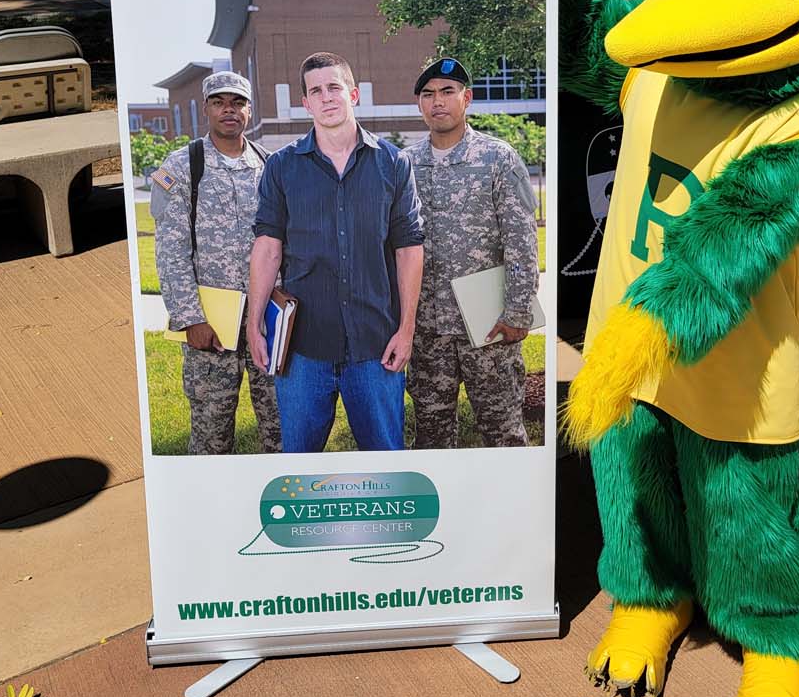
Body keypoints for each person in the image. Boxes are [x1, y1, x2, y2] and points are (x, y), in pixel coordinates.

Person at [247, 52, 424, 452]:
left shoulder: (394, 164)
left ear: (354, 94)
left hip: (375, 345)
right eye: (315, 91)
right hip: (304, 349)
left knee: (386, 462)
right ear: (305, 103)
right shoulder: (281, 167)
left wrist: (406, 329)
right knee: (299, 462)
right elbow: (267, 248)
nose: (326, 97)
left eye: (334, 87)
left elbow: (408, 250)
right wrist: (254, 323)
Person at [407, 58, 539, 448]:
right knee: (431, 434)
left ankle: (513, 508)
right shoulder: (405, 164)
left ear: (467, 98)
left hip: (488, 324)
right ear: (420, 105)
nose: (438, 102)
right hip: (428, 328)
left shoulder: (497, 158)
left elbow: (521, 239)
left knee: (502, 431)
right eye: (428, 94)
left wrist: (517, 312)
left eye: (447, 92)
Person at [151, 71, 281, 456]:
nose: (230, 110)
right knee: (211, 432)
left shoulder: (269, 165)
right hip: (212, 322)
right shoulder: (181, 165)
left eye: (238, 102)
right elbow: (170, 250)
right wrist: (190, 317)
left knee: (282, 428)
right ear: (206, 108)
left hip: (266, 320)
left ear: (249, 109)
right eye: (220, 102)